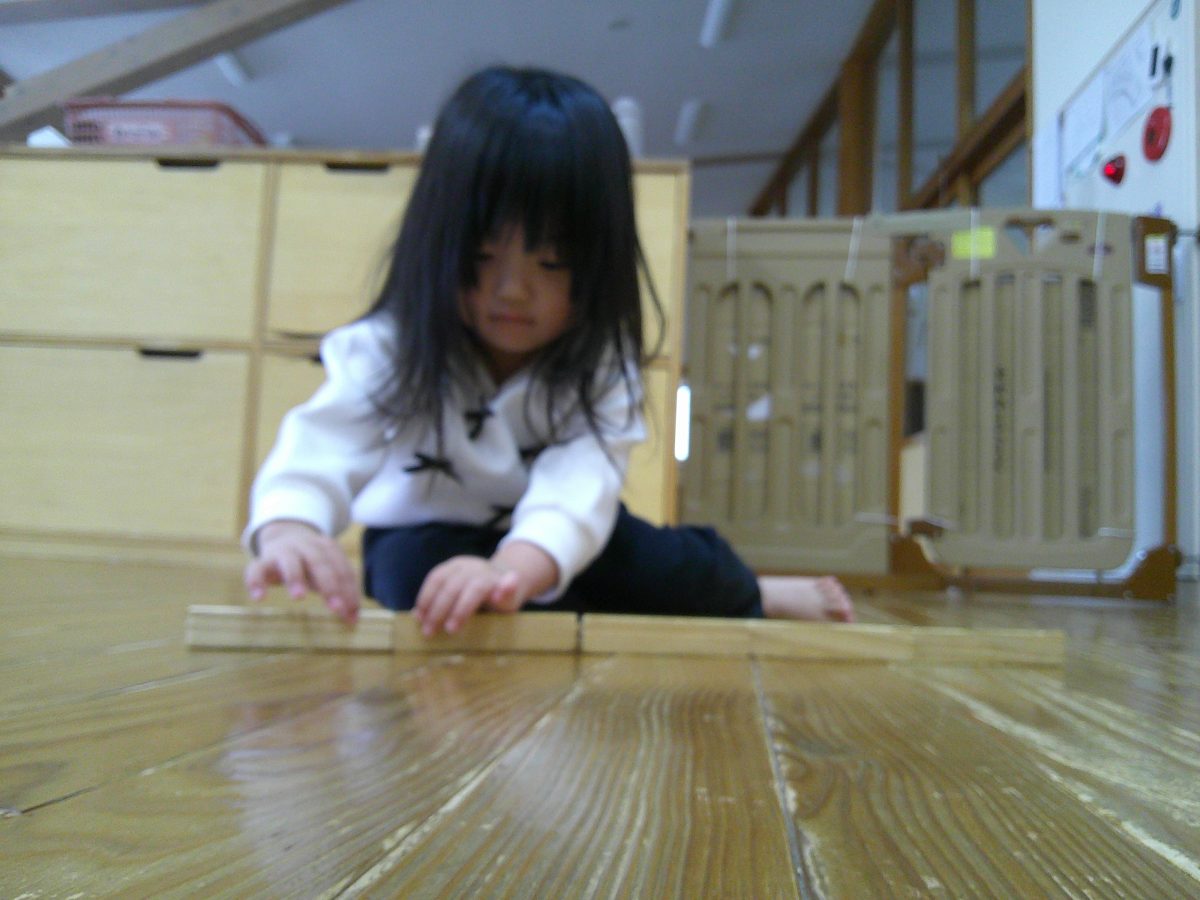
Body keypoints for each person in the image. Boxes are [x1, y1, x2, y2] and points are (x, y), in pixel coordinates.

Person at [243, 65, 853, 635]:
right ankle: (543, 599)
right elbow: (324, 443)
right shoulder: (390, 347)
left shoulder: (601, 366)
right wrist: (290, 526)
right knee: (415, 582)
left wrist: (512, 569)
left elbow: (578, 486)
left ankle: (755, 592)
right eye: (482, 255)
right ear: (437, 243)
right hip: (428, 532)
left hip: (556, 528)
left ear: (598, 265)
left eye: (553, 260)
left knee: (667, 569)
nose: (512, 290)